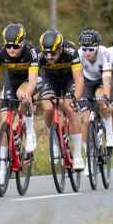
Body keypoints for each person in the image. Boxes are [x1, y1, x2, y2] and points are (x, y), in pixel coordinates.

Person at [0, 23, 39, 153]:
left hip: (28, 80)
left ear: (22, 43)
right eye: (8, 46)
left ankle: (30, 131)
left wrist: (28, 94)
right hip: (11, 82)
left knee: (21, 94)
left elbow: (33, 80)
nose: (11, 49)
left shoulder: (31, 52)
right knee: (4, 122)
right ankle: (2, 162)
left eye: (16, 46)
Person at [36, 29, 85, 169]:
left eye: (53, 53)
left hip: (69, 79)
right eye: (46, 53)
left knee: (70, 107)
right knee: (47, 106)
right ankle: (54, 139)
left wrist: (76, 97)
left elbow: (79, 79)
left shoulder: (71, 52)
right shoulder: (38, 55)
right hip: (49, 80)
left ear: (61, 47)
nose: (49, 56)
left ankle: (77, 155)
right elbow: (33, 78)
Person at [78, 29, 113, 148]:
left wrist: (106, 97)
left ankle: (109, 134)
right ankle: (87, 152)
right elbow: (76, 77)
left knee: (101, 100)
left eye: (91, 49)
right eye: (84, 49)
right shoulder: (79, 54)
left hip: (102, 80)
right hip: (87, 81)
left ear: (97, 47)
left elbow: (107, 76)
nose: (87, 53)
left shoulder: (104, 53)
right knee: (85, 116)